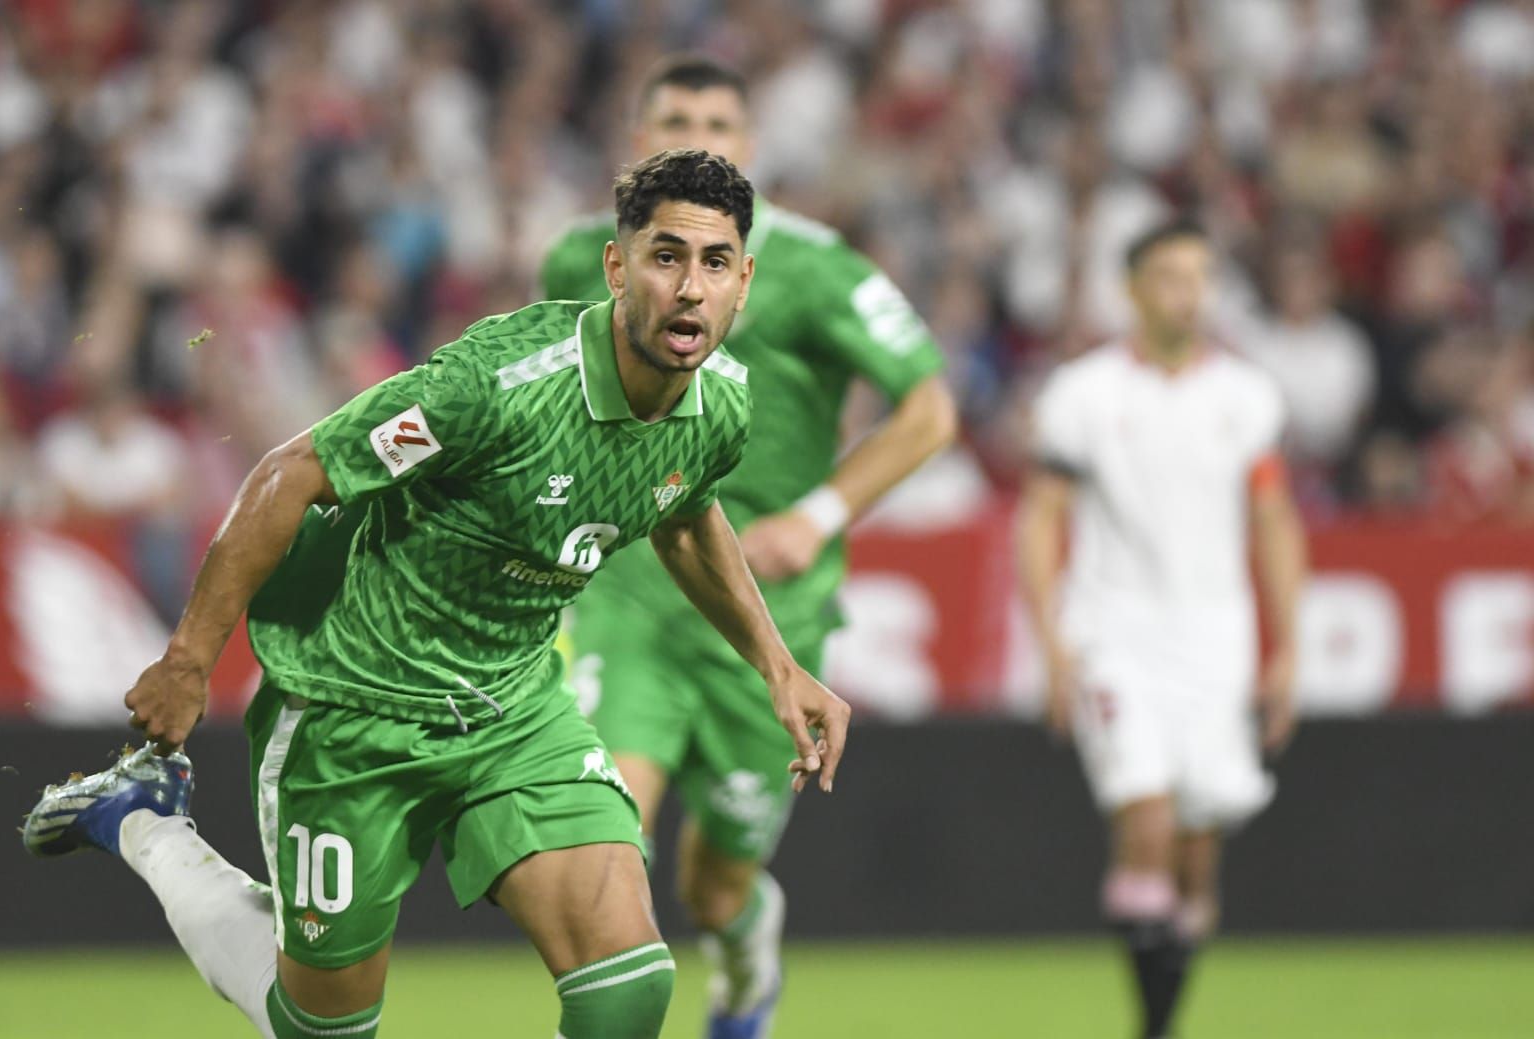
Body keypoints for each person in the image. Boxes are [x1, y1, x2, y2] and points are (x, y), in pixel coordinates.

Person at [22, 148, 851, 1039]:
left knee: (629, 985)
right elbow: (293, 472)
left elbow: (683, 512)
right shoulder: (496, 387)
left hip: (514, 711)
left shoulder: (721, 405)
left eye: (715, 263)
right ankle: (146, 823)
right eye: (666, 256)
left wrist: (778, 665)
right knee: (318, 1028)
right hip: (356, 706)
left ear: (743, 282)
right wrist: (189, 660)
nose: (691, 287)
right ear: (618, 267)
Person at [540, 55, 956, 1038]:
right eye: (674, 116)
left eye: (718, 120)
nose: (697, 134)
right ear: (634, 142)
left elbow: (930, 408)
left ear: (751, 149)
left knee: (715, 885)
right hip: (629, 592)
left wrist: (816, 513)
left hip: (766, 612)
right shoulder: (574, 261)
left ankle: (743, 938)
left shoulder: (818, 269)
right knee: (603, 842)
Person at [1016, 217, 1306, 1039]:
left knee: (1194, 858)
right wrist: (1052, 642)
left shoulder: (1246, 397)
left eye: (1200, 275)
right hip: (1116, 633)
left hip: (1217, 640)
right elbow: (1041, 519)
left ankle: (1161, 1014)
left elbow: (1276, 522)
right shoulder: (1084, 394)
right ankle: (1154, 1029)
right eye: (1171, 275)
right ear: (1133, 290)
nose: (1189, 292)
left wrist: (1288, 650)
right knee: (1145, 821)